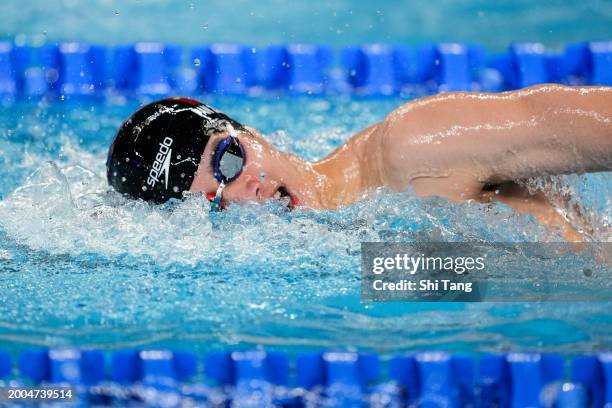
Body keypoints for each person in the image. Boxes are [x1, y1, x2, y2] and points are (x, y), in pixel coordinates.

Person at [107, 84, 612, 241]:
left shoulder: (411, 146)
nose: (244, 195)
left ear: (251, 133)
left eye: (230, 162)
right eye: (214, 205)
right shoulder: (360, 245)